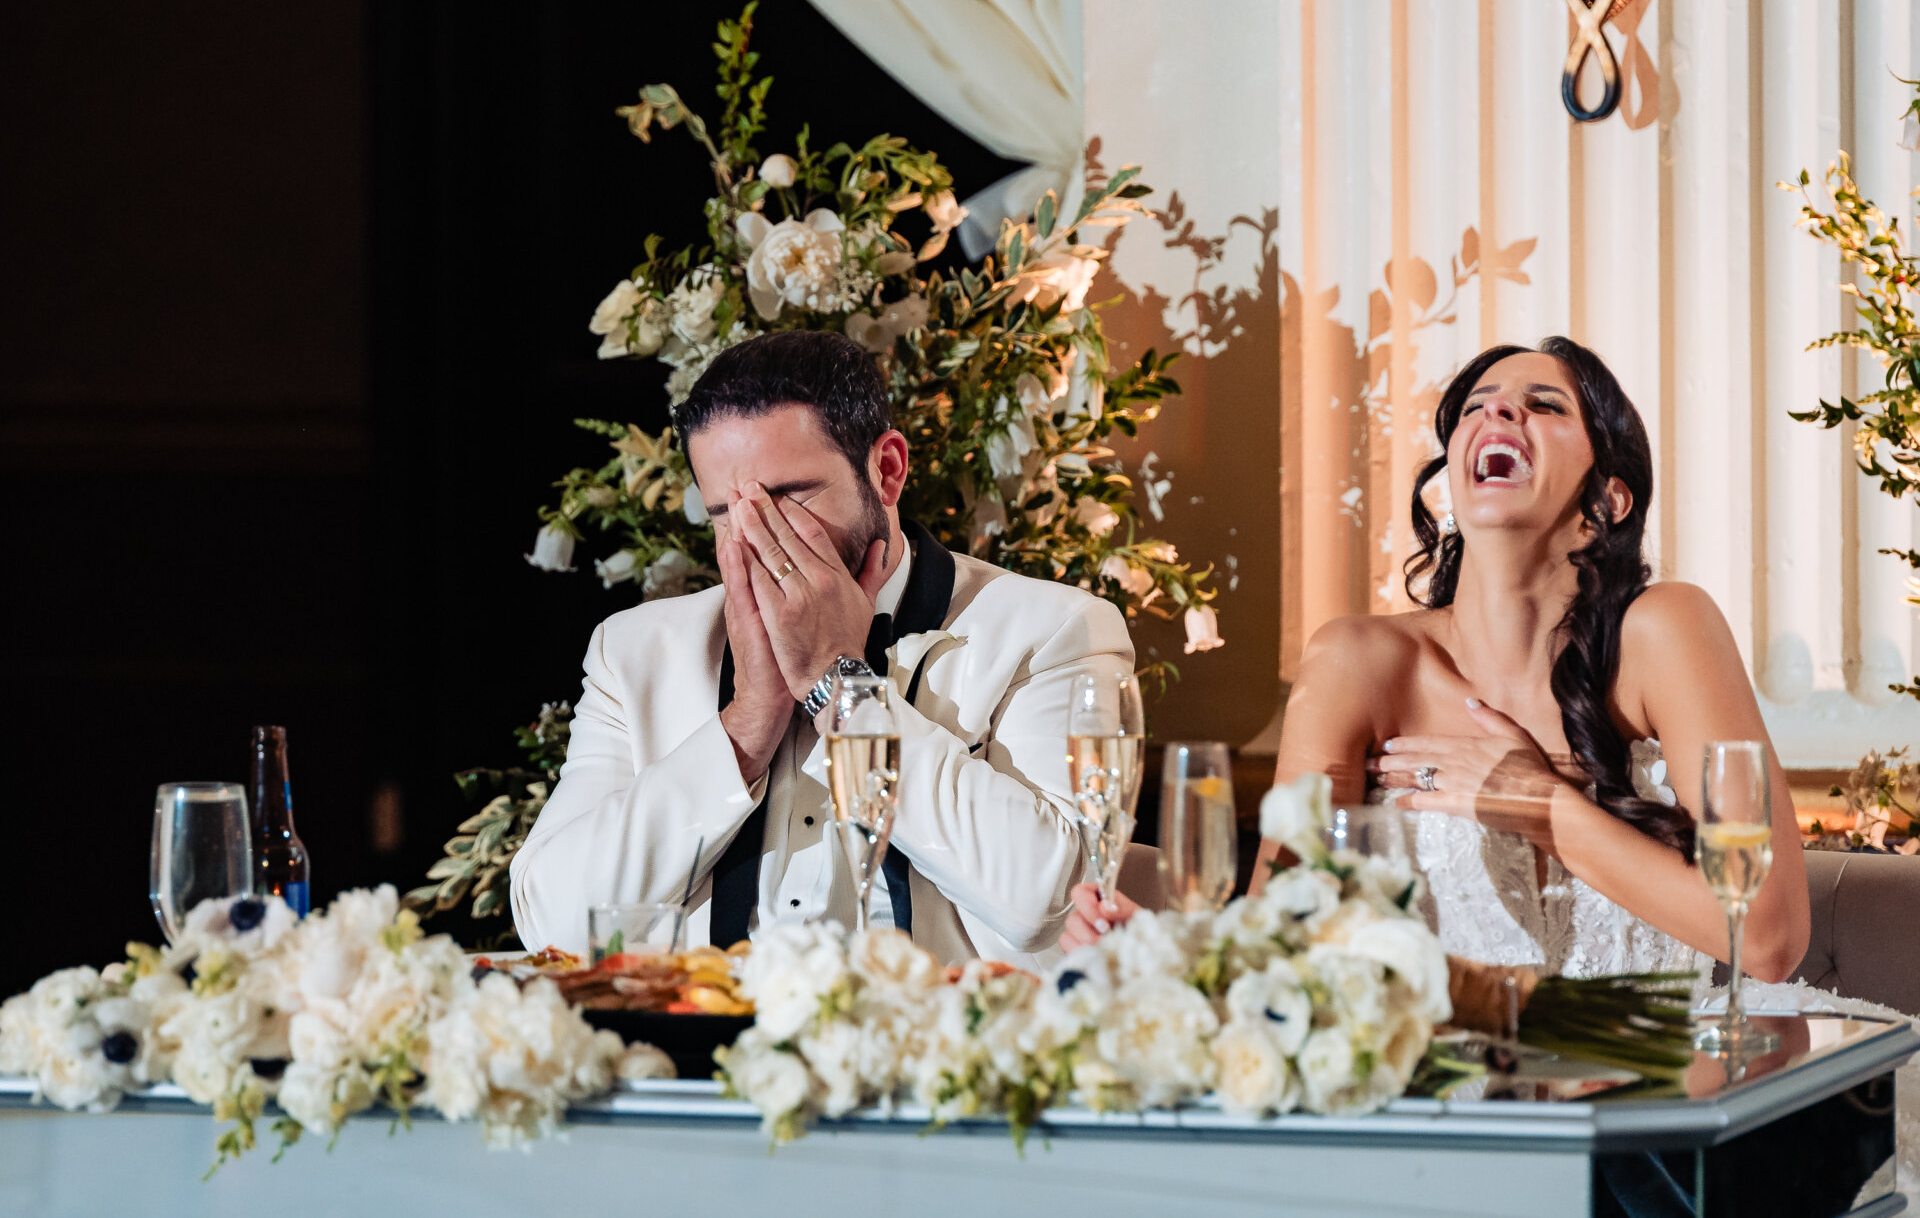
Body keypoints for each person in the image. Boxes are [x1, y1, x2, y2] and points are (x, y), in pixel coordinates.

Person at [1062, 336, 1812, 985]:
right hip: (1443, 1107)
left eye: (1545, 405)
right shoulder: (1360, 662)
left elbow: (1771, 939)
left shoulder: (1665, 630)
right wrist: (1173, 956)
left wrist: (1537, 802)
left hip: (1665, 1092)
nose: (1498, 412)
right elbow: (1279, 944)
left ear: (1608, 501)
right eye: (1477, 406)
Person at [511, 330, 1132, 968]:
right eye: (726, 511)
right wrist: (747, 723)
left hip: (943, 1053)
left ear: (886, 470)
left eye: (787, 498)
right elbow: (554, 925)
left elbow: (1049, 903)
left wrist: (842, 689)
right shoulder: (635, 652)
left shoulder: (1053, 632)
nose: (755, 535)